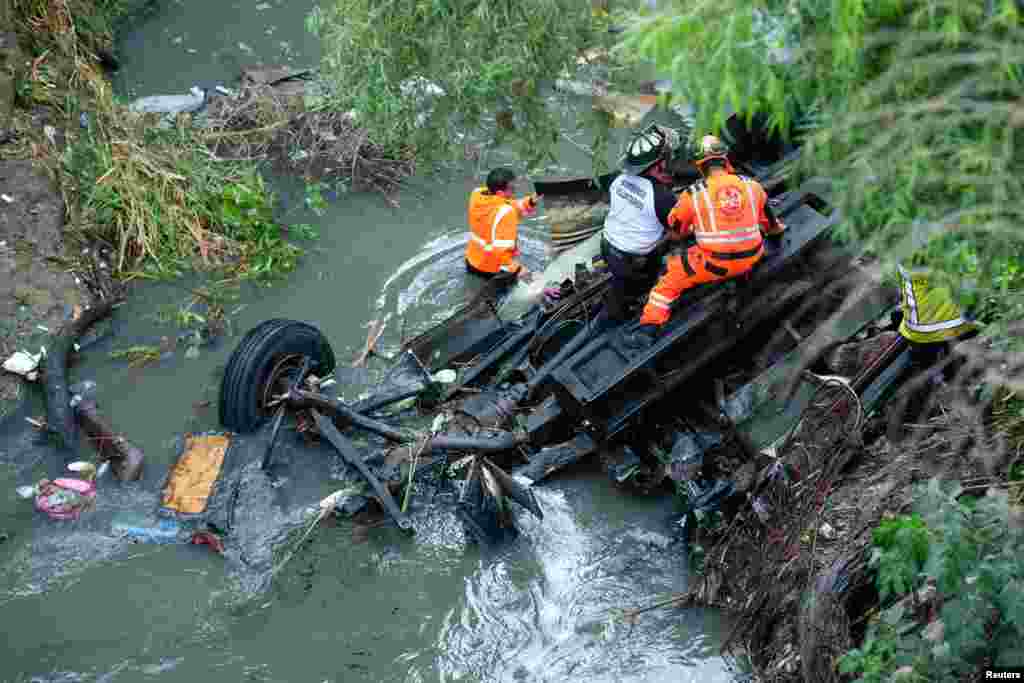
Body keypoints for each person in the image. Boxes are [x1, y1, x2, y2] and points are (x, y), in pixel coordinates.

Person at [629, 134, 786, 345]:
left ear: (700, 166)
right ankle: (741, 276)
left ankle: (647, 330)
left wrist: (693, 228)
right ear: (725, 159)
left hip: (715, 265)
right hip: (752, 257)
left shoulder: (693, 194)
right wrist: (775, 239)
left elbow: (677, 231)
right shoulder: (752, 186)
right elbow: (771, 224)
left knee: (669, 280)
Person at [601, 123, 683, 321]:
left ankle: (621, 296)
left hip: (606, 246)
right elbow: (678, 233)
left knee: (622, 281)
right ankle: (628, 310)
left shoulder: (616, 179)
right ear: (658, 166)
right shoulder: (662, 197)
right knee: (638, 286)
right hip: (635, 262)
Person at [465, 168, 539, 279]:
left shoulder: (477, 195)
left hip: (471, 261)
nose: (515, 190)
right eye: (512, 188)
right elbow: (500, 254)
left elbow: (507, 205)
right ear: (500, 193)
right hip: (491, 269)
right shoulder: (506, 212)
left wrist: (531, 201)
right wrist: (519, 270)